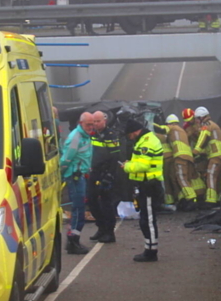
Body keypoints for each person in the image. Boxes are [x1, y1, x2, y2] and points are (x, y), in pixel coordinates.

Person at [121, 118, 164, 262]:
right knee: (145, 219)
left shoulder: (146, 143)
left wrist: (127, 167)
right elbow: (141, 162)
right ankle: (149, 248)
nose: (129, 138)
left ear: (135, 132)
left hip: (149, 185)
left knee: (149, 220)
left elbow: (143, 165)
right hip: (146, 184)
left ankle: (151, 251)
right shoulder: (144, 140)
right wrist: (131, 163)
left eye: (129, 135)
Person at [60, 111, 94, 255]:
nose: (90, 127)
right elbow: (66, 159)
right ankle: (73, 241)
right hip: (75, 177)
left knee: (79, 209)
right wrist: (63, 175)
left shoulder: (84, 136)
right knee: (78, 209)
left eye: (92, 124)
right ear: (81, 123)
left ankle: (74, 239)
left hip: (80, 176)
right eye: (88, 124)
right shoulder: (76, 137)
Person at [87, 110, 121, 243]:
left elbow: (115, 157)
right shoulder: (93, 134)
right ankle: (101, 227)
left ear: (104, 121)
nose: (95, 124)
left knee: (106, 203)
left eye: (98, 121)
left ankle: (109, 231)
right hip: (94, 171)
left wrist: (109, 175)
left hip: (106, 172)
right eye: (94, 121)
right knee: (92, 201)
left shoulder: (110, 135)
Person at [192, 106, 221, 207]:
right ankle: (218, 197)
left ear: (200, 117)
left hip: (216, 155)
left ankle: (211, 200)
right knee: (218, 176)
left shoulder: (206, 125)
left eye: (196, 119)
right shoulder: (213, 124)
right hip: (220, 154)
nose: (196, 121)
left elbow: (203, 138)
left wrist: (195, 151)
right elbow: (210, 143)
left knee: (211, 176)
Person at [163, 114, 199, 212]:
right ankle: (183, 199)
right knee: (180, 178)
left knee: (181, 177)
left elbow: (161, 131)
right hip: (188, 157)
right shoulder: (181, 130)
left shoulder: (171, 127)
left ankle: (192, 199)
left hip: (180, 156)